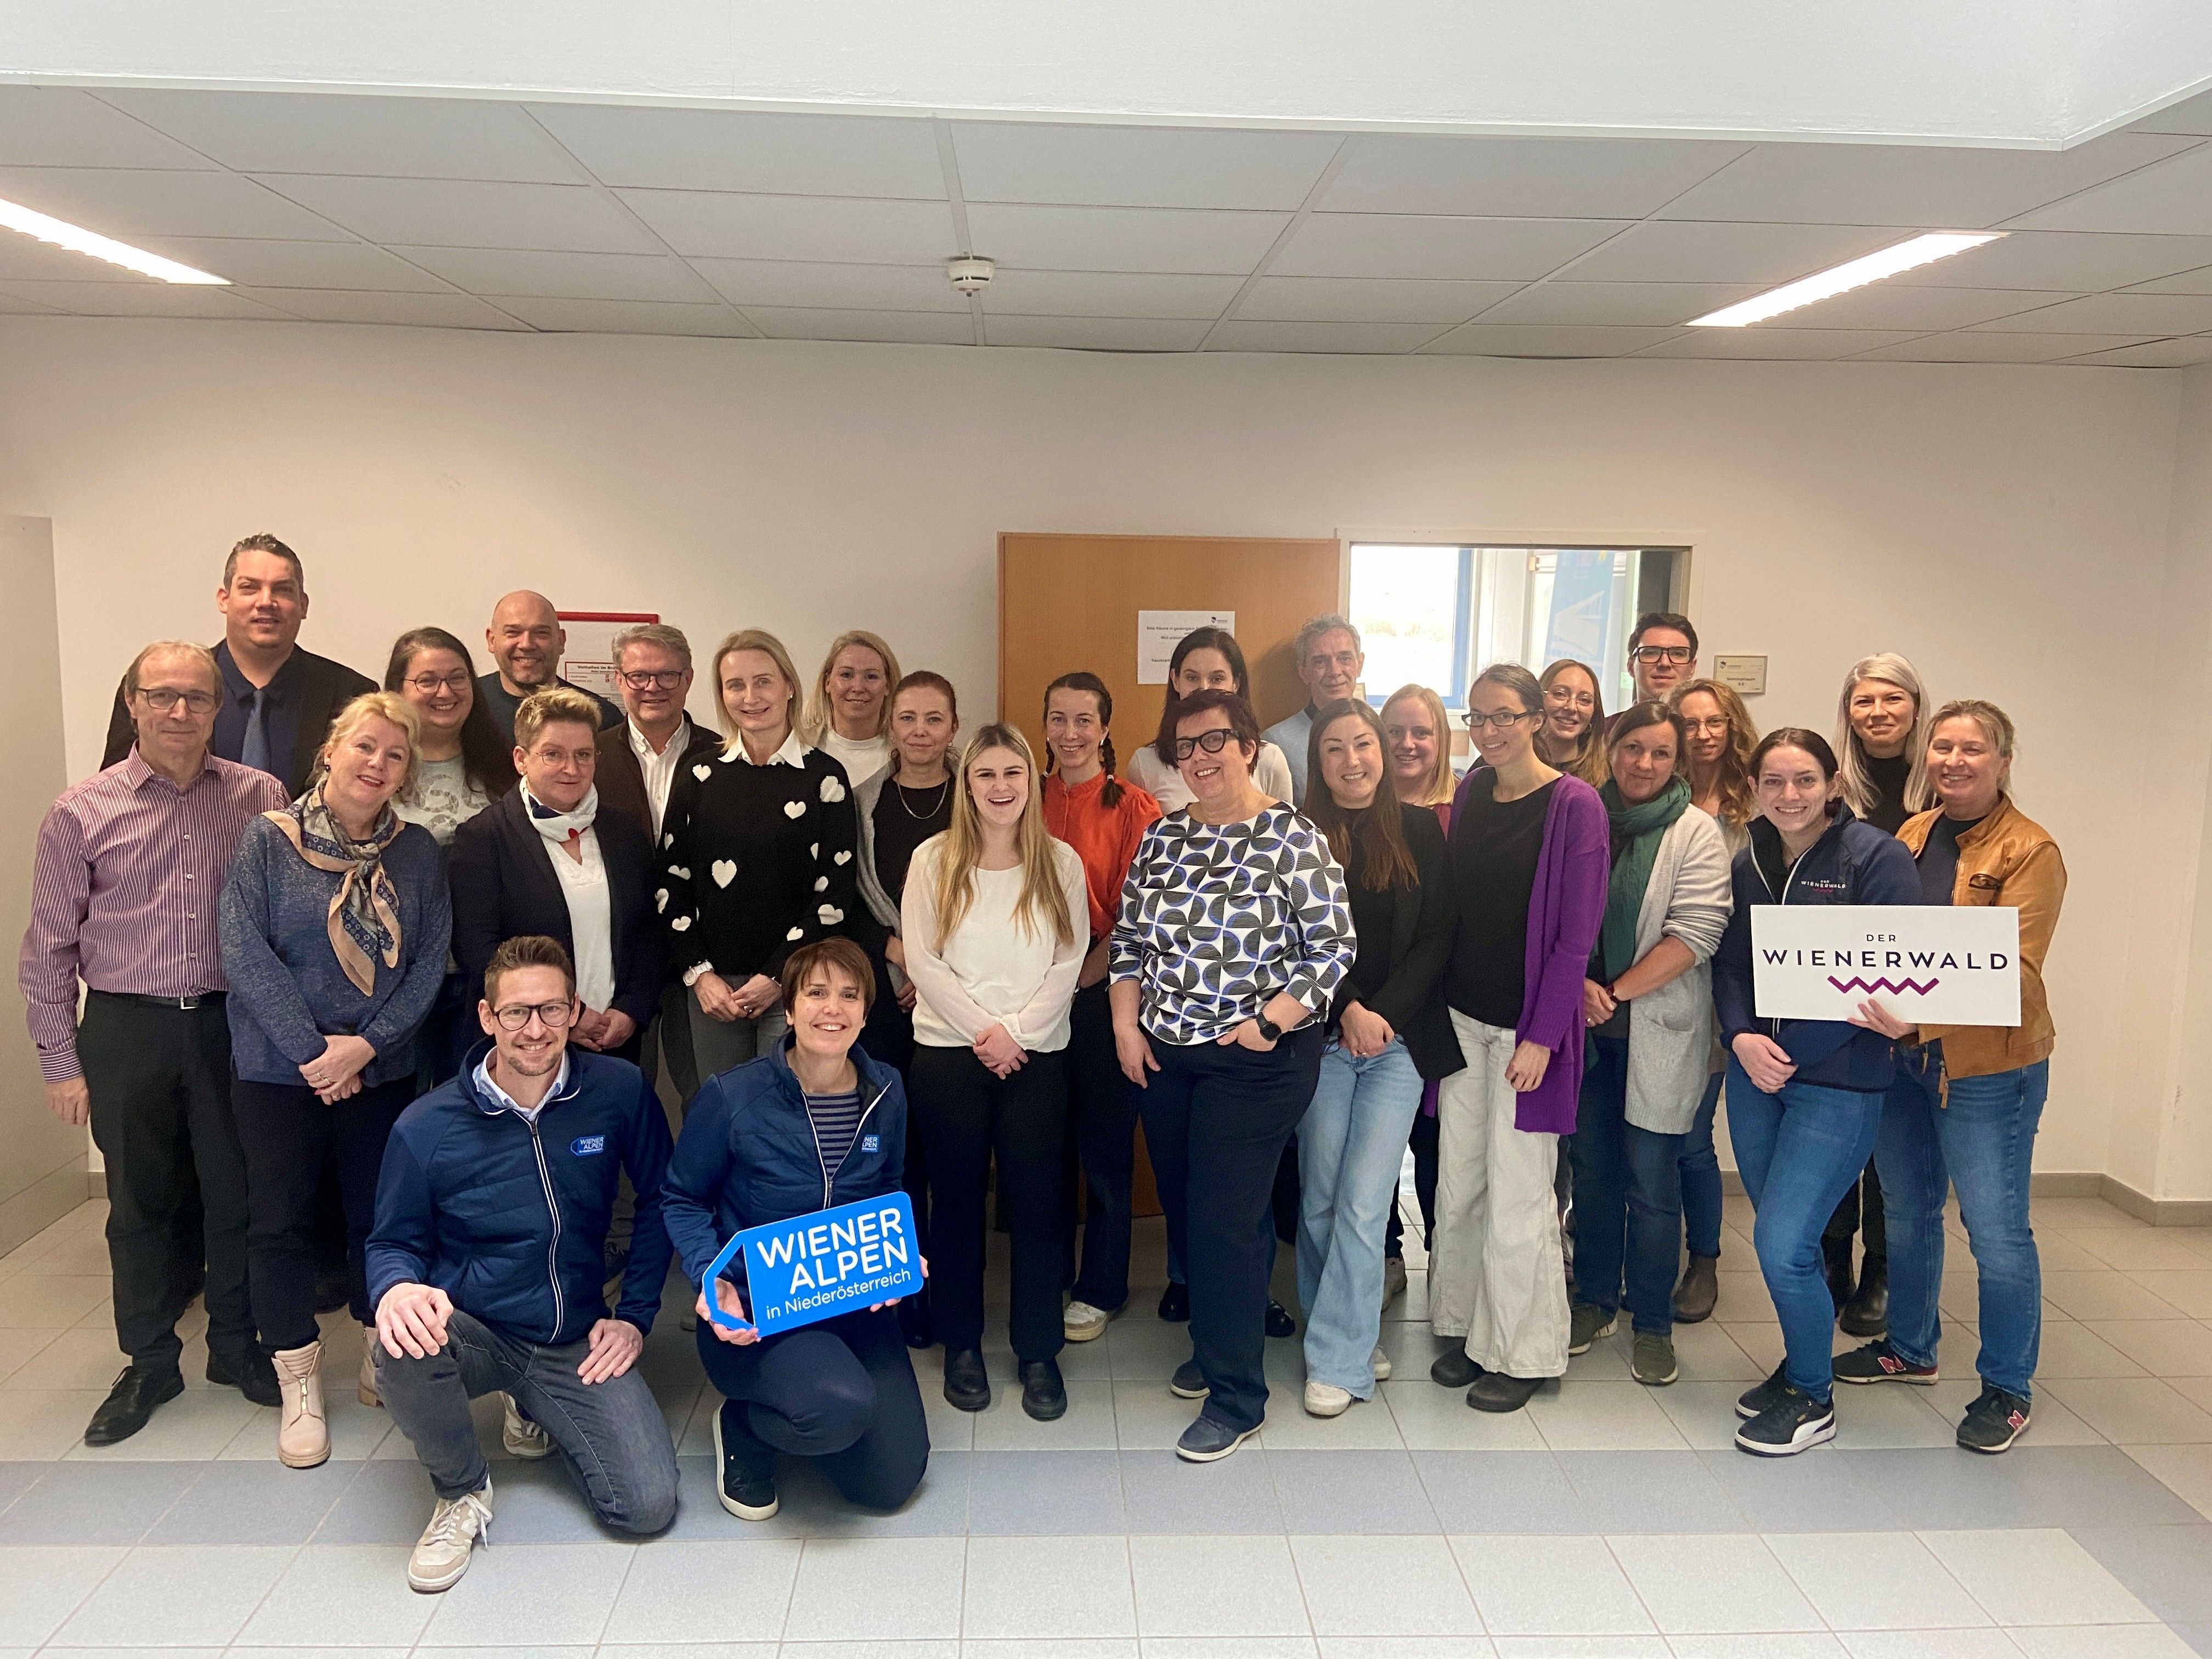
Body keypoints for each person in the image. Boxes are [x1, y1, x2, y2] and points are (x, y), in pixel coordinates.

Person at [21, 642, 286, 1445]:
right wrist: (59, 1061)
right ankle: (149, 1361)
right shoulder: (80, 810)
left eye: (197, 698)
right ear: (132, 703)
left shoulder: (259, 796)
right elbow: (48, 948)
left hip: (229, 1024)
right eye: (162, 696)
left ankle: (237, 1349)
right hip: (127, 1026)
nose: (179, 712)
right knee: (140, 1202)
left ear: (220, 708)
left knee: (237, 1194)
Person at [368, 934, 677, 1591]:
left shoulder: (617, 1092)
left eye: (551, 1010)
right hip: (477, 1327)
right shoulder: (425, 1126)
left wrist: (637, 1318)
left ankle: (537, 1404)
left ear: (574, 1011)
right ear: (487, 1018)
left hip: (574, 1337)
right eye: (516, 1013)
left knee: (646, 1508)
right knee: (398, 1342)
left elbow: (662, 1199)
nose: (535, 1030)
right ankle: (461, 1492)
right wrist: (394, 1289)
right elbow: (392, 1242)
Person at [1110, 689, 1354, 1461]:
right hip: (1167, 1054)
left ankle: (1237, 1397)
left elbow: (1332, 949)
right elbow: (1127, 943)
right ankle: (1222, 1341)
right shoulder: (1163, 837)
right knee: (1196, 1213)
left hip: (1258, 1059)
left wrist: (1269, 1023)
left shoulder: (1293, 836)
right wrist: (1124, 1023)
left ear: (1249, 746)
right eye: (1186, 747)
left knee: (1223, 1219)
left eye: (1216, 740)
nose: (1201, 757)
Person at [219, 692, 451, 1466]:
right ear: (331, 751)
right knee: (280, 1223)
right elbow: (243, 949)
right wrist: (314, 1051)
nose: (376, 764)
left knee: (377, 1220)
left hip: (380, 1072)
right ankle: (297, 1383)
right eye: (365, 747)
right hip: (279, 1075)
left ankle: (380, 1357)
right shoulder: (268, 840)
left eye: (394, 755)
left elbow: (428, 963)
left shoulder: (416, 853)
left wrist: (366, 1047)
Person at [1837, 701, 2066, 1454]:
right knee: (1906, 1211)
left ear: (2004, 760)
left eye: (1974, 749)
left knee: (1996, 1233)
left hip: (1988, 1069)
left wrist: (1918, 1020)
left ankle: (2007, 1387)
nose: (1955, 760)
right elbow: (1887, 941)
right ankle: (1911, 1347)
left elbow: (2011, 968)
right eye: (1944, 747)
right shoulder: (1911, 832)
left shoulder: (2032, 851)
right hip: (1904, 1063)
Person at [663, 938, 928, 1521]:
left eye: (848, 996)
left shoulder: (885, 1091)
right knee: (838, 1410)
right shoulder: (734, 1097)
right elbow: (681, 1197)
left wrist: (900, 1250)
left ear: (864, 1012)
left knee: (889, 1483)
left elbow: (890, 1185)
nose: (832, 1009)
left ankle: (818, 1407)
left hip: (853, 1300)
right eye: (816, 993)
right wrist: (712, 1278)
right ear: (789, 1008)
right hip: (758, 1314)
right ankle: (746, 1426)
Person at [1713, 729, 1920, 1456]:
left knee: (1783, 1241)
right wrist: (1740, 1038)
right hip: (1756, 1075)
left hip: (1837, 1083)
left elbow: (1882, 981)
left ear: (1833, 784)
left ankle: (1814, 1399)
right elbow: (1732, 963)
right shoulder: (1752, 861)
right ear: (1757, 789)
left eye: (1804, 780)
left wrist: (1788, 1056)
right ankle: (1800, 1366)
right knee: (1784, 1241)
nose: (1789, 795)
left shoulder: (1877, 861)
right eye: (1774, 782)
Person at [1427, 664, 1607, 1414]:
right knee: (1459, 1185)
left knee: (1522, 1196)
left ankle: (1523, 1353)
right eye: (1477, 717)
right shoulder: (1471, 790)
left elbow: (1575, 938)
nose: (1490, 731)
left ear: (1538, 719)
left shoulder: (1576, 807)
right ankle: (1468, 1328)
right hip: (1463, 1021)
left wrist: (1542, 1039)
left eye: (1505, 716)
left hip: (1526, 1035)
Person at [901, 725, 1087, 1419]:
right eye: (986, 775)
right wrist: (985, 1033)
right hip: (950, 1055)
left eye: (1014, 773)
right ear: (966, 783)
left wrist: (1019, 1034)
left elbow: (1071, 959)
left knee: (1039, 1208)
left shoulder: (1059, 863)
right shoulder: (933, 859)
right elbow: (923, 961)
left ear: (1030, 782)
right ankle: (962, 1345)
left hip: (1038, 1056)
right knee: (953, 1205)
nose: (1001, 787)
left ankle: (1038, 1351)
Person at [1295, 699, 1458, 1417]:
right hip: (1323, 1037)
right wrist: (1349, 1007)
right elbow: (1294, 937)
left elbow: (1437, 937)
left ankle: (1339, 1358)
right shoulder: (1294, 834)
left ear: (1382, 752)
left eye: (1363, 744)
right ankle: (1350, 1327)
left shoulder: (1420, 828)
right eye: (1335, 749)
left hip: (1397, 1043)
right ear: (1318, 762)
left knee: (1365, 1201)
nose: (1352, 760)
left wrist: (1382, 1014)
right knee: (1323, 1198)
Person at [1567, 703, 1731, 1389]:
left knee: (1654, 1185)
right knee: (1595, 1176)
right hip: (1586, 1036)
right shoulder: (1580, 817)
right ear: (1611, 747)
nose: (1644, 764)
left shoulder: (1696, 832)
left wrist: (1615, 991)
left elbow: (1697, 934)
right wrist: (1577, 987)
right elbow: (1549, 912)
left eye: (1660, 754)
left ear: (1678, 760)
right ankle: (1595, 1299)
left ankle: (1654, 1323)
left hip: (1656, 1032)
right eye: (1633, 748)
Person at [661, 629, 864, 1086]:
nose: (750, 697)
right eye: (736, 685)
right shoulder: (698, 773)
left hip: (797, 988)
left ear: (789, 685)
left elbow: (834, 893)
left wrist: (777, 976)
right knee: (727, 1113)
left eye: (763, 682)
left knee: (790, 1112)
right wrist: (700, 975)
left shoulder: (824, 777)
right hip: (714, 992)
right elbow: (671, 881)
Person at [449, 687, 663, 1074]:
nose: (572, 768)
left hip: (616, 1039)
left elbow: (648, 932)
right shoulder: (482, 840)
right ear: (521, 759)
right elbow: (479, 951)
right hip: (525, 1044)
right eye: (553, 754)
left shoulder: (624, 832)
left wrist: (631, 1010)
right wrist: (568, 1016)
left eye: (583, 755)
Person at [1041, 672, 1162, 1344]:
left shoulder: (1135, 809)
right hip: (1029, 997)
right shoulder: (1020, 797)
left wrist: (1082, 978)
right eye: (1058, 719)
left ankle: (1101, 1286)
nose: (1070, 734)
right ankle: (1050, 1270)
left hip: (1099, 989)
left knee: (1106, 1149)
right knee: (1046, 1143)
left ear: (1106, 729)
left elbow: (1135, 918)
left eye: (1084, 720)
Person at [1823, 651, 1935, 1337]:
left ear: (1916, 707)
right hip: (1839, 980)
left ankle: (1883, 1273)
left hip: (1915, 987)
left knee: (1896, 1145)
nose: (1878, 713)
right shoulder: (1836, 792)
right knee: (1842, 1137)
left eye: (1891, 699)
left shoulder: (1940, 790)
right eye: (1864, 701)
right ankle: (1832, 1259)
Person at [851, 670, 961, 1348]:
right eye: (908, 718)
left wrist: (940, 969)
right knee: (896, 1145)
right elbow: (846, 893)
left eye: (934, 719)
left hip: (959, 994)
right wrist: (902, 959)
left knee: (949, 1143)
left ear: (954, 727)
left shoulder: (979, 796)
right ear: (891, 726)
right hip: (887, 994)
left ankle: (949, 1284)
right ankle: (903, 1288)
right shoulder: (863, 801)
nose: (919, 731)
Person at [101, 534, 376, 797]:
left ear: (303, 605)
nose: (266, 602)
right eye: (249, 588)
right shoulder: (155, 690)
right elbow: (118, 788)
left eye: (282, 590)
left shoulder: (352, 695)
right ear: (224, 599)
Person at [591, 622, 721, 1103]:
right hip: (619, 953)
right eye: (639, 676)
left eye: (667, 676)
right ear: (619, 680)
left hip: (702, 951)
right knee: (620, 1093)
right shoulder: (591, 757)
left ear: (688, 680)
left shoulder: (725, 755)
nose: (653, 688)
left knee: (706, 1090)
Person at [1666, 676, 1761, 1324]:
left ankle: (1703, 1259)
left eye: (1714, 721)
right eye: (1690, 722)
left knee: (1695, 1136)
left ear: (1733, 727)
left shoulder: (1756, 806)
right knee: (1657, 1131)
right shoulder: (1659, 793)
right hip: (1666, 987)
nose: (1702, 733)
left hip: (1729, 991)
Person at [386, 627, 517, 1087]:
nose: (445, 692)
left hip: (480, 981)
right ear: (399, 689)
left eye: (458, 678)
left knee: (473, 1111)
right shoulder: (376, 763)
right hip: (392, 984)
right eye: (427, 681)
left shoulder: (505, 766)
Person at [1378, 683, 1454, 1298]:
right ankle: (1388, 1256)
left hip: (1446, 1010)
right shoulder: (1358, 813)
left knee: (1437, 1148)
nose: (1407, 744)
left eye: (1421, 732)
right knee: (1375, 1154)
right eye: (1396, 731)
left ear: (1440, 740)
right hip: (1372, 1014)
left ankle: (1449, 1270)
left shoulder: (1468, 811)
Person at [1125, 627, 1296, 811]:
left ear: (1236, 683)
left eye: (1217, 678)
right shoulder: (1145, 763)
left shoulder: (1269, 759)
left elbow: (1282, 827)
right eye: (1192, 677)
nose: (1204, 689)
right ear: (1175, 680)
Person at [476, 590, 621, 741]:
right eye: (513, 632)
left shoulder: (602, 717)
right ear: (492, 640)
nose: (526, 644)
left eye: (541, 633)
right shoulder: (465, 704)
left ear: (561, 641)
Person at [1262, 614, 1365, 804]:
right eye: (1320, 662)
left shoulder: (1376, 732)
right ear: (1304, 672)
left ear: (1359, 664)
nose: (1334, 672)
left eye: (1344, 658)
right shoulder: (1277, 743)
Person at [800, 630, 903, 790]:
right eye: (846, 675)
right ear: (827, 682)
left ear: (888, 686)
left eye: (871, 677)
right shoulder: (799, 748)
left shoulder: (905, 754)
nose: (858, 687)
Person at [1536, 659, 1610, 787]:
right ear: (1537, 698)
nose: (1571, 707)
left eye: (1584, 700)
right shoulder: (1512, 765)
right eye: (1560, 694)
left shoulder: (1608, 778)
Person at [1623, 612, 1699, 710]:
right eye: (1651, 653)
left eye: (1677, 654)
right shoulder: (1607, 726)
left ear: (1692, 667)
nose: (1664, 663)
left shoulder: (1704, 726)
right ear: (1631, 666)